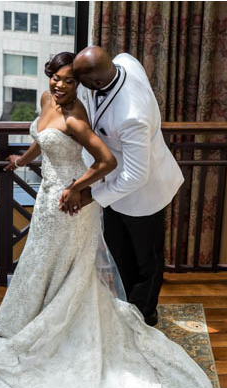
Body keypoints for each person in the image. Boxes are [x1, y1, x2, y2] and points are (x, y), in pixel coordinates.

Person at [0, 52, 214, 388]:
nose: (61, 85)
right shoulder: (87, 80)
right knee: (48, 258)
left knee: (139, 261)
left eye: (70, 81)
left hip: (122, 191)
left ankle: (139, 317)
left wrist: (80, 191)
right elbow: (43, 136)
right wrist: (21, 161)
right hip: (51, 196)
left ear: (86, 83)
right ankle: (35, 314)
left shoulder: (114, 115)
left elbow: (122, 167)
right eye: (57, 77)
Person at [65, 46, 185, 327]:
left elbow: (136, 175)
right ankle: (129, 305)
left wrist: (93, 195)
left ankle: (144, 316)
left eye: (81, 83)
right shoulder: (124, 61)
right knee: (119, 252)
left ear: (96, 82)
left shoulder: (132, 116)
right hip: (114, 189)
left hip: (145, 195)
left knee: (147, 261)